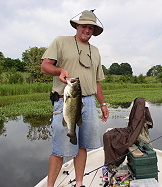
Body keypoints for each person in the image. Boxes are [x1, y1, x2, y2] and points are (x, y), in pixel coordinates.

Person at [41, 10, 109, 187]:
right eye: (84, 26)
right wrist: (60, 71)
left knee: (82, 146)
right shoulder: (61, 41)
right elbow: (45, 66)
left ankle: (79, 183)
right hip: (66, 99)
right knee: (59, 150)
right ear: (77, 26)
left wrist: (102, 104)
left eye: (91, 27)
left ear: (94, 30)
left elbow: (97, 82)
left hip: (88, 102)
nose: (87, 29)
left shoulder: (95, 51)